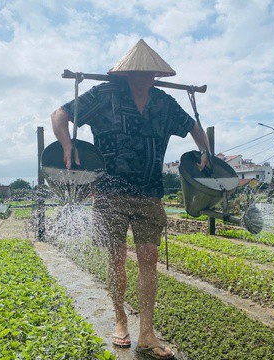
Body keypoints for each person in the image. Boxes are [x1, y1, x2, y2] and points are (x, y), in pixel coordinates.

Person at [51, 39, 209, 360]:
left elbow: (194, 127)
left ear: (154, 75)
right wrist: (67, 145)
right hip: (109, 192)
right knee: (117, 258)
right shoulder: (103, 96)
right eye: (135, 72)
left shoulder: (164, 104)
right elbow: (60, 114)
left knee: (149, 257)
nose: (141, 77)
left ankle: (147, 332)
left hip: (149, 193)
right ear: (125, 74)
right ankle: (120, 319)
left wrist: (206, 150)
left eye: (147, 73)